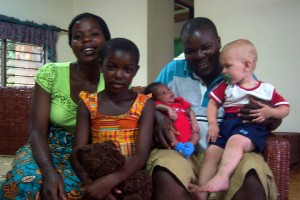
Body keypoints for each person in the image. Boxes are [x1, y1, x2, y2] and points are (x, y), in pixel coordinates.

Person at [147, 17, 280, 200]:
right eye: (190, 51)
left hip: (230, 153)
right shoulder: (172, 70)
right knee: (164, 171)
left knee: (252, 175)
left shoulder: (239, 74)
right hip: (183, 152)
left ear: (218, 43)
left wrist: (270, 116)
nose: (199, 55)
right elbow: (146, 100)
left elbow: (271, 114)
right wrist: (156, 114)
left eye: (206, 47)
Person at [0, 12, 111, 200]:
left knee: (74, 192)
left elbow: (135, 110)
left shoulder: (114, 82)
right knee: (27, 183)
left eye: (94, 34)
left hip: (85, 153)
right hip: (45, 145)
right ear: (71, 45)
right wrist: (49, 172)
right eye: (78, 36)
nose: (86, 40)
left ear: (106, 40)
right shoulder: (51, 73)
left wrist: (157, 111)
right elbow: (36, 130)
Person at [192, 39, 290, 199]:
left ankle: (222, 177)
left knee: (235, 141)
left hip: (251, 129)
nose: (223, 70)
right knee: (211, 152)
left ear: (247, 65)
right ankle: (203, 191)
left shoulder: (266, 89)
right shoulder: (227, 86)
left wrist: (270, 112)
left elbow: (285, 108)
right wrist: (213, 125)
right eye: (222, 66)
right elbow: (212, 104)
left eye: (227, 66)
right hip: (227, 126)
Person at [71, 38, 154, 199]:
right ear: (100, 65)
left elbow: (141, 155)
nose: (118, 75)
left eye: (127, 70)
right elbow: (77, 153)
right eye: (111, 67)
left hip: (130, 173)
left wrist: (110, 181)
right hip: (97, 175)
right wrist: (92, 184)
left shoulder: (144, 104)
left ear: (135, 71)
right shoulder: (88, 104)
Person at [144, 82, 200, 158]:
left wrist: (194, 121)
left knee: (196, 135)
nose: (169, 92)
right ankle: (179, 147)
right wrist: (168, 108)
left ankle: (189, 147)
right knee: (169, 132)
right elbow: (154, 106)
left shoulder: (179, 101)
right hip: (174, 134)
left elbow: (189, 111)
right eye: (163, 93)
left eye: (168, 89)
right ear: (156, 98)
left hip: (187, 134)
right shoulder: (159, 104)